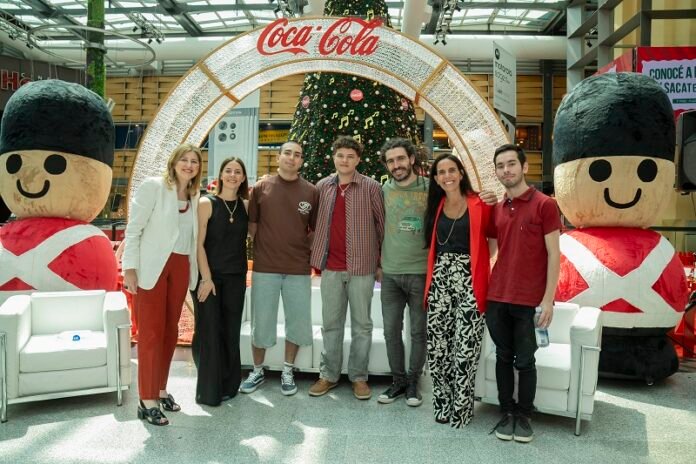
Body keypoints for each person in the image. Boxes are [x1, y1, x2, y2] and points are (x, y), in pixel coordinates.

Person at [123, 142, 202, 426]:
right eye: (185, 159)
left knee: (170, 332)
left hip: (181, 265)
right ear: (175, 161)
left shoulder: (194, 196)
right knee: (151, 333)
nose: (189, 165)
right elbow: (134, 229)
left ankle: (160, 389)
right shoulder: (154, 186)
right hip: (153, 266)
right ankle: (146, 400)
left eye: (194, 161)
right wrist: (129, 268)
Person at [486, 144, 561, 443]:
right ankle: (506, 413)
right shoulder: (498, 208)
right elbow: (489, 249)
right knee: (503, 357)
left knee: (525, 361)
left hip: (529, 301)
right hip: (497, 297)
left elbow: (554, 255)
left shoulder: (545, 205)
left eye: (511, 164)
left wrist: (548, 300)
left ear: (524, 166)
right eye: (501, 166)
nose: (506, 170)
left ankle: (525, 416)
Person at [308, 135, 384, 400]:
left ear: (358, 160)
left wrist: (380, 263)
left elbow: (381, 226)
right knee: (331, 324)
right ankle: (328, 375)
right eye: (341, 155)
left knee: (362, 325)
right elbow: (313, 224)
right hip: (331, 267)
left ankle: (359, 377)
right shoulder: (322, 187)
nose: (345, 160)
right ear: (334, 157)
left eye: (351, 156)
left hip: (362, 267)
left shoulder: (371, 187)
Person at [240, 141, 319, 396]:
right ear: (278, 157)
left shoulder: (311, 191)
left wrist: (300, 249)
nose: (292, 158)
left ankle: (287, 370)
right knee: (261, 322)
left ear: (301, 161)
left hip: (297, 268)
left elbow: (314, 230)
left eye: (297, 155)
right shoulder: (262, 187)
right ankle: (258, 370)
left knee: (296, 322)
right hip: (265, 268)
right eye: (287, 153)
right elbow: (252, 226)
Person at [423, 153, 493, 428]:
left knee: (465, 349)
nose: (447, 176)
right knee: (438, 347)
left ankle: (462, 410)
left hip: (470, 280)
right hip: (440, 279)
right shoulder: (435, 205)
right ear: (436, 178)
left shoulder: (479, 203)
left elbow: (494, 239)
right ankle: (442, 404)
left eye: (452, 170)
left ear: (461, 173)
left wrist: (489, 266)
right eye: (441, 172)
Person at [192, 157, 249, 406]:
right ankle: (209, 391)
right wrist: (206, 278)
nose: (233, 175)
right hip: (209, 278)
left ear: (244, 177)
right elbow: (198, 244)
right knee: (209, 333)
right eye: (228, 171)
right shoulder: (206, 203)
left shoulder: (246, 205)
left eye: (238, 172)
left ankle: (229, 385)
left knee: (230, 333)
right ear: (220, 175)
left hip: (236, 277)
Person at [376, 138, 429, 407]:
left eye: (400, 159)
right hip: (391, 274)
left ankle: (413, 383)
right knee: (390, 331)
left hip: (420, 272)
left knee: (419, 332)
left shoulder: (431, 188)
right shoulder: (382, 190)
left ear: (411, 159)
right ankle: (397, 381)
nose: (396, 165)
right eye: (391, 161)